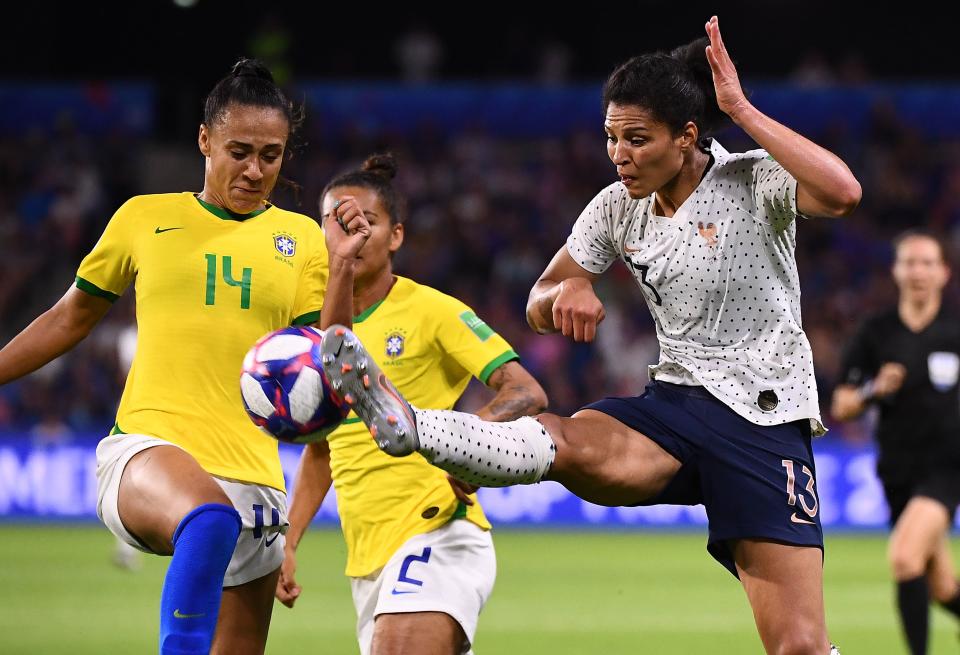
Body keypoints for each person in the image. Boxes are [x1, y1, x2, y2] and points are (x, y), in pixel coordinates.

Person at [320, 16, 860, 655]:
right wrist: (567, 291)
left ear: (686, 137)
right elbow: (539, 299)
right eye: (611, 138)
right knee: (567, 440)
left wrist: (738, 107)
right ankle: (411, 425)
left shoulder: (753, 180)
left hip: (764, 423)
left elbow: (844, 192)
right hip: (677, 408)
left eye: (637, 139)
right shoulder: (614, 205)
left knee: (798, 646)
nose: (620, 155)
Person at [0, 58, 370, 655]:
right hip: (148, 450)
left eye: (270, 156)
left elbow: (329, 361)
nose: (255, 170)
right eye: (239, 151)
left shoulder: (304, 240)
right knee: (208, 518)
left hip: (257, 485)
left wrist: (344, 266)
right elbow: (68, 317)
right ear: (204, 140)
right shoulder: (145, 218)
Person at [275, 153, 547, 655]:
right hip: (368, 561)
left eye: (367, 223)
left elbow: (525, 391)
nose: (352, 237)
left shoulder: (431, 311)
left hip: (438, 533)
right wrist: (287, 544)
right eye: (338, 225)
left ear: (396, 236)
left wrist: (473, 442)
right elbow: (321, 451)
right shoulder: (314, 335)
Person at [832, 230, 960, 655]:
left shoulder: (956, 330)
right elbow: (843, 405)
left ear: (943, 272)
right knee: (941, 586)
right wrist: (873, 390)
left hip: (947, 467)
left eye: (927, 263)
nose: (918, 271)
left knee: (905, 557)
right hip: (896, 470)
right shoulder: (876, 333)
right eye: (909, 262)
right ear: (896, 271)